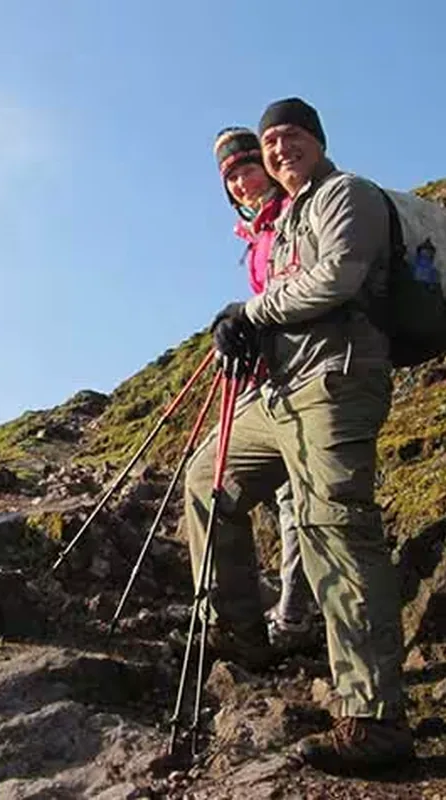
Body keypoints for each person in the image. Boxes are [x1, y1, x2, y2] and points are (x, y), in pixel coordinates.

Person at [185, 97, 414, 773]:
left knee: (334, 525)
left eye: (290, 137)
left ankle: (374, 720)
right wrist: (246, 336)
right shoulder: (278, 227)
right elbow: (283, 304)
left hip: (338, 384)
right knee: (206, 478)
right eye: (270, 141)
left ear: (315, 140)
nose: (279, 150)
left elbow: (338, 277)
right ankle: (243, 634)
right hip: (280, 394)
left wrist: (248, 310)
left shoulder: (348, 194)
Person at [212, 127, 314, 650]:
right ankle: (288, 606)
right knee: (282, 496)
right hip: (270, 374)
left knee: (295, 498)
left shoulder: (292, 216)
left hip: (305, 375)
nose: (240, 183)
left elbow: (291, 292)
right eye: (230, 178)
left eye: (247, 169)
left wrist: (246, 320)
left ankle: (294, 616)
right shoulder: (256, 232)